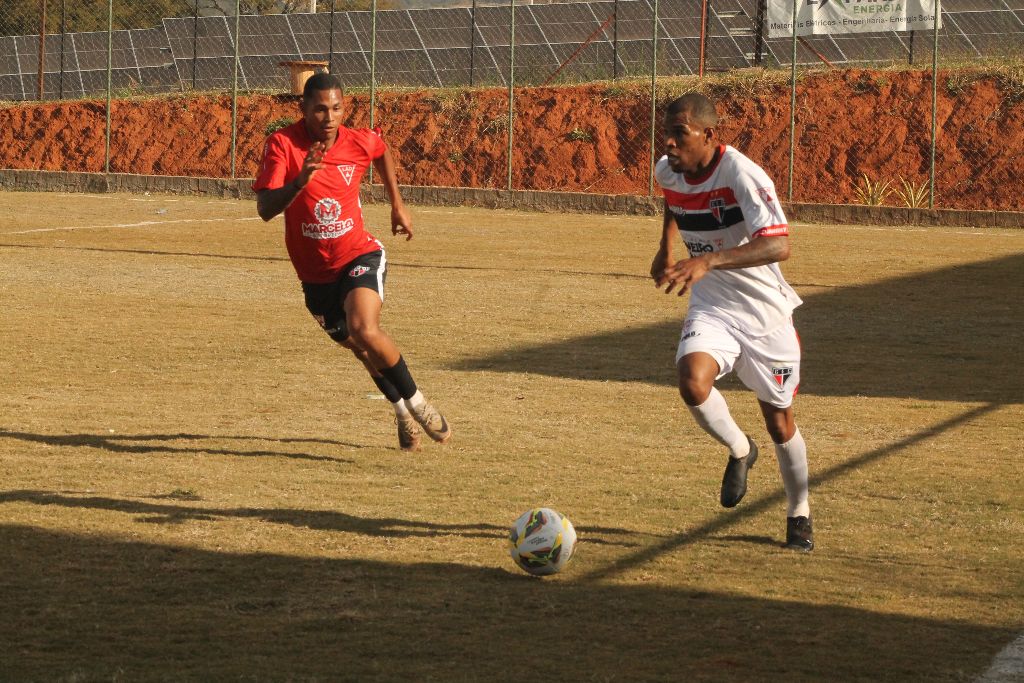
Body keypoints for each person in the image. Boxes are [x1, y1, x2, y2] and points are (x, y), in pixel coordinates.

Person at [253, 72, 451, 452]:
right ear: (303, 109)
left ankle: (419, 404)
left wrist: (397, 204)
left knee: (364, 329)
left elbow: (381, 150)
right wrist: (299, 181)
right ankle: (402, 413)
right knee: (361, 349)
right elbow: (265, 209)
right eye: (320, 109)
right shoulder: (282, 144)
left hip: (359, 254)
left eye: (336, 108)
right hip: (316, 279)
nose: (329, 117)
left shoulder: (357, 141)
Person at [650, 92, 812, 551]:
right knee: (691, 382)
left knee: (780, 424)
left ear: (708, 135)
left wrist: (708, 260)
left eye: (679, 133)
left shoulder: (741, 174)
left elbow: (779, 245)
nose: (669, 143)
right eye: (666, 133)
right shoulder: (669, 168)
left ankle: (799, 511)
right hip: (713, 307)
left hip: (765, 315)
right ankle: (741, 449)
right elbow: (674, 198)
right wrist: (665, 248)